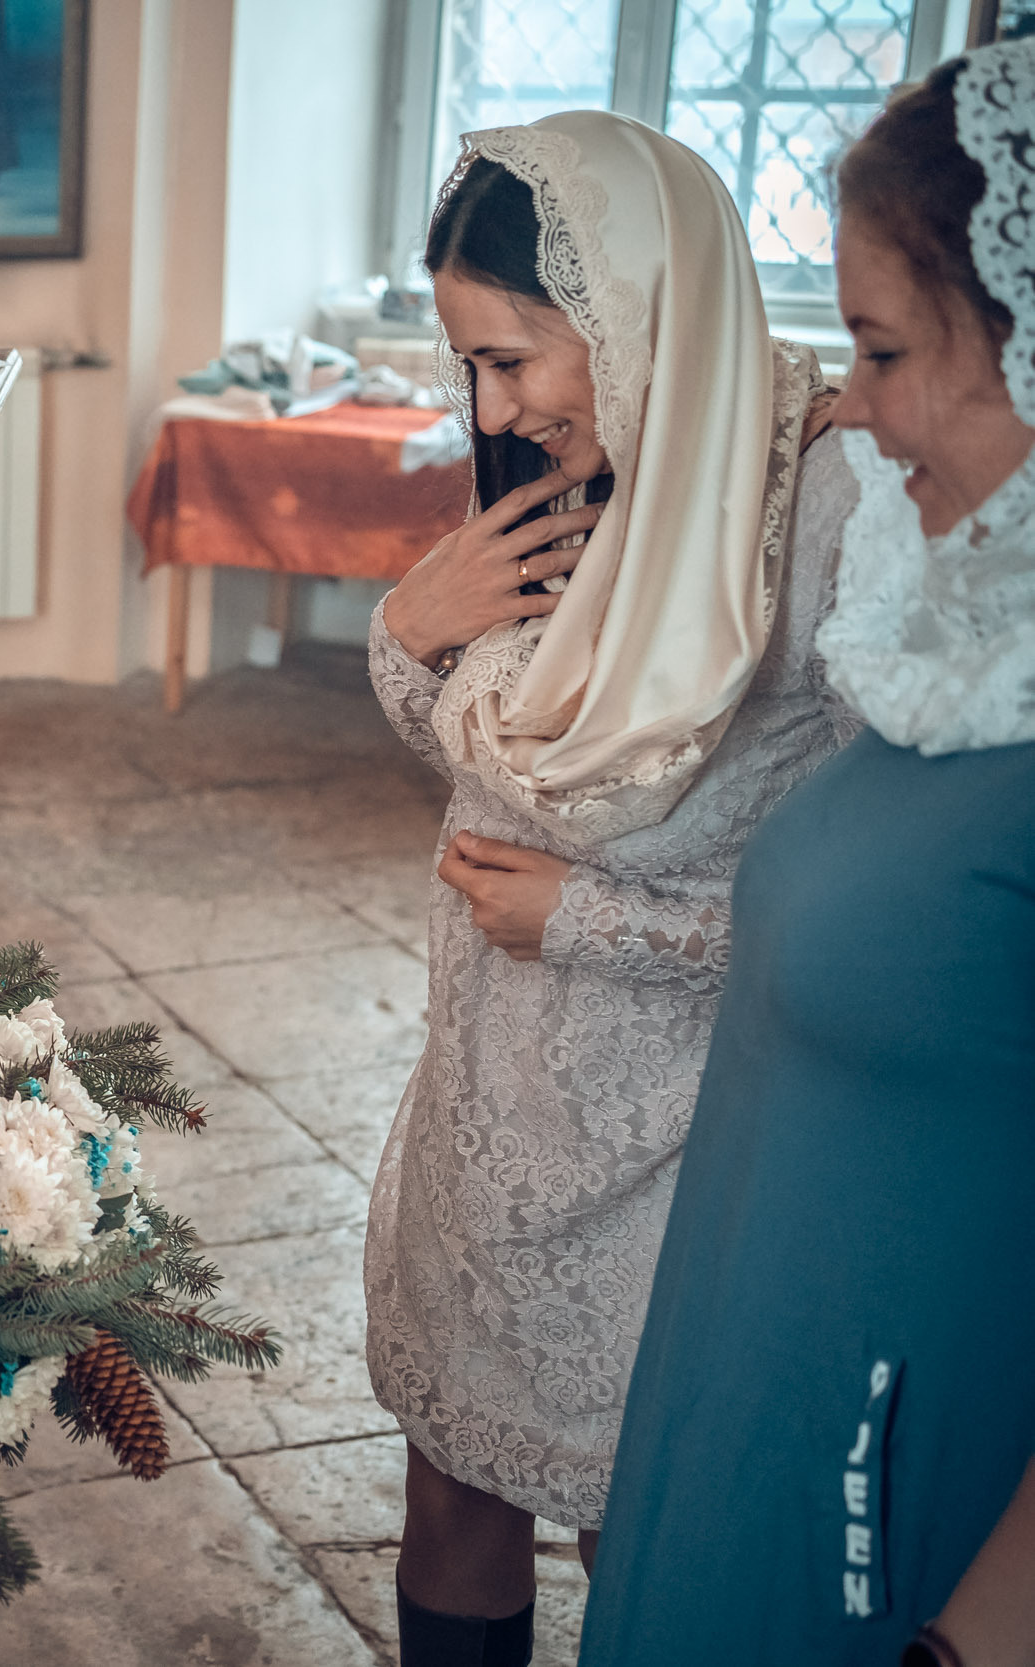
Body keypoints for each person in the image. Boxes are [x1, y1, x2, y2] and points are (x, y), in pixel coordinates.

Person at [363, 112, 855, 1663]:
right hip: (484, 1099)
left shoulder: (829, 508)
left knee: (638, 1521)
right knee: (452, 1489)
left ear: (636, 311)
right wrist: (408, 629)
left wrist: (593, 922)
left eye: (514, 358)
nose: (491, 405)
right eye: (475, 366)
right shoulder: (574, 471)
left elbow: (868, 917)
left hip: (680, 1132)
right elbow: (495, 756)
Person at [581, 48, 1035, 1663]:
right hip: (749, 1410)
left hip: (902, 1537)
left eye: (887, 348)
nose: (850, 403)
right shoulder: (968, 643)